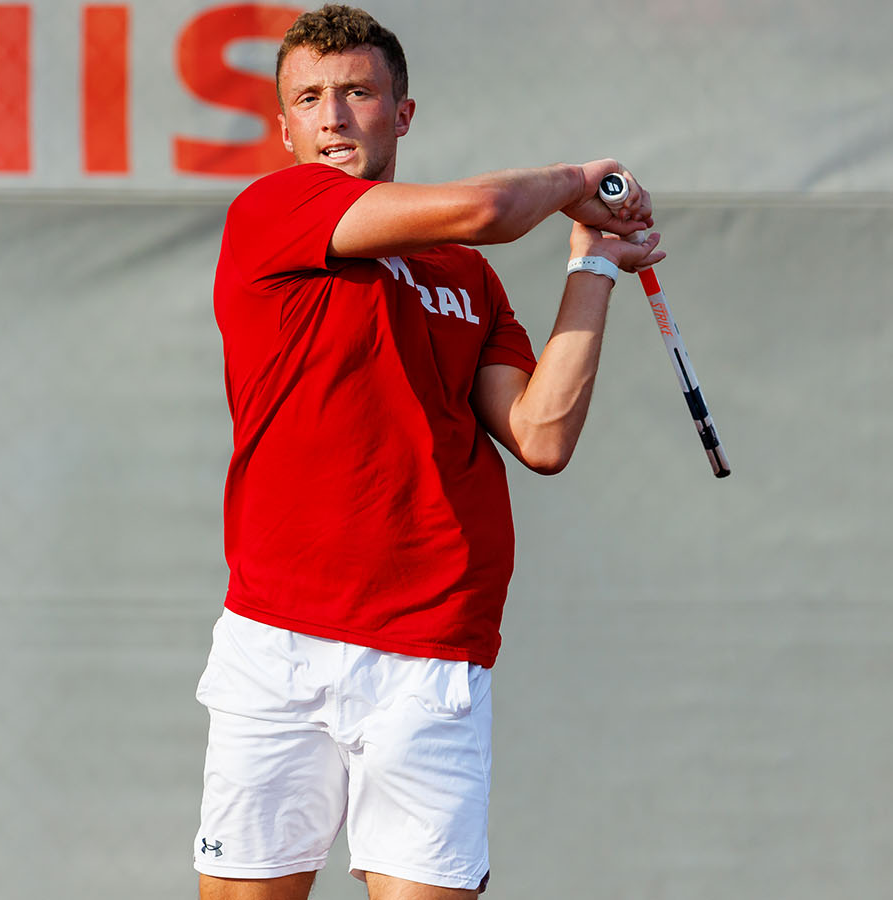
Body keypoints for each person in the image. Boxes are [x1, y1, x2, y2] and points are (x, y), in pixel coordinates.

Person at [194, 5, 664, 899]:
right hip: (279, 642)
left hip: (432, 648)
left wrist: (595, 263)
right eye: (309, 99)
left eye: (357, 92)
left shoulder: (465, 273)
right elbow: (489, 208)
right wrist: (578, 180)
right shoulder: (272, 209)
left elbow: (541, 434)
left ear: (402, 114)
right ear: (285, 129)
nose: (334, 116)